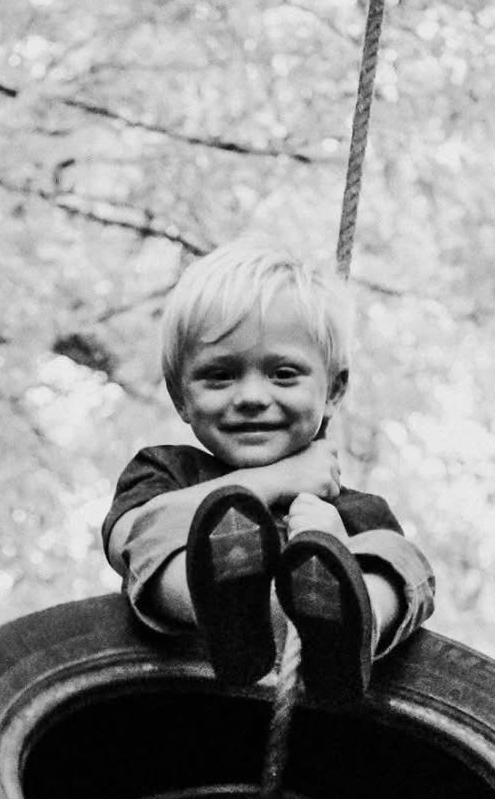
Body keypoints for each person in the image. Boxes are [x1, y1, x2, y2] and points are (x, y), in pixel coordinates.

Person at [102, 239, 435, 703]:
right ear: (181, 396)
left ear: (334, 391)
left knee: (398, 554)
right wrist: (273, 482)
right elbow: (125, 544)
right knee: (161, 525)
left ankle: (353, 630)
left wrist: (337, 542)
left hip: (312, 669)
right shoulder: (167, 469)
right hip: (201, 647)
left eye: (283, 374)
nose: (253, 396)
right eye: (220, 375)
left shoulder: (350, 506)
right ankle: (224, 613)